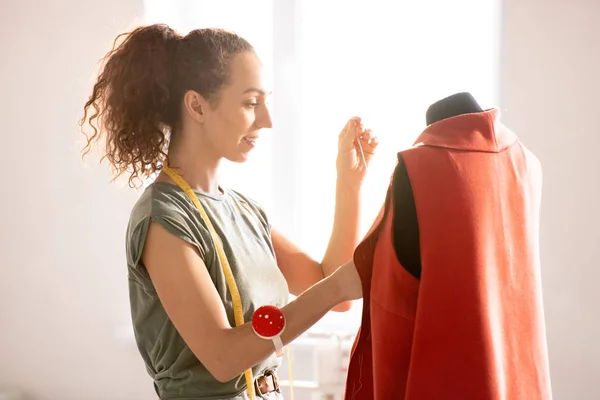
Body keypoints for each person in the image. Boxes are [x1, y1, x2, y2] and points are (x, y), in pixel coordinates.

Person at [79, 23, 378, 400]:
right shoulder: (163, 217)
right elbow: (222, 357)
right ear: (197, 105)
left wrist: (348, 185)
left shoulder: (244, 210)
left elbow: (333, 289)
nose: (267, 120)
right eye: (251, 102)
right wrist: (334, 288)